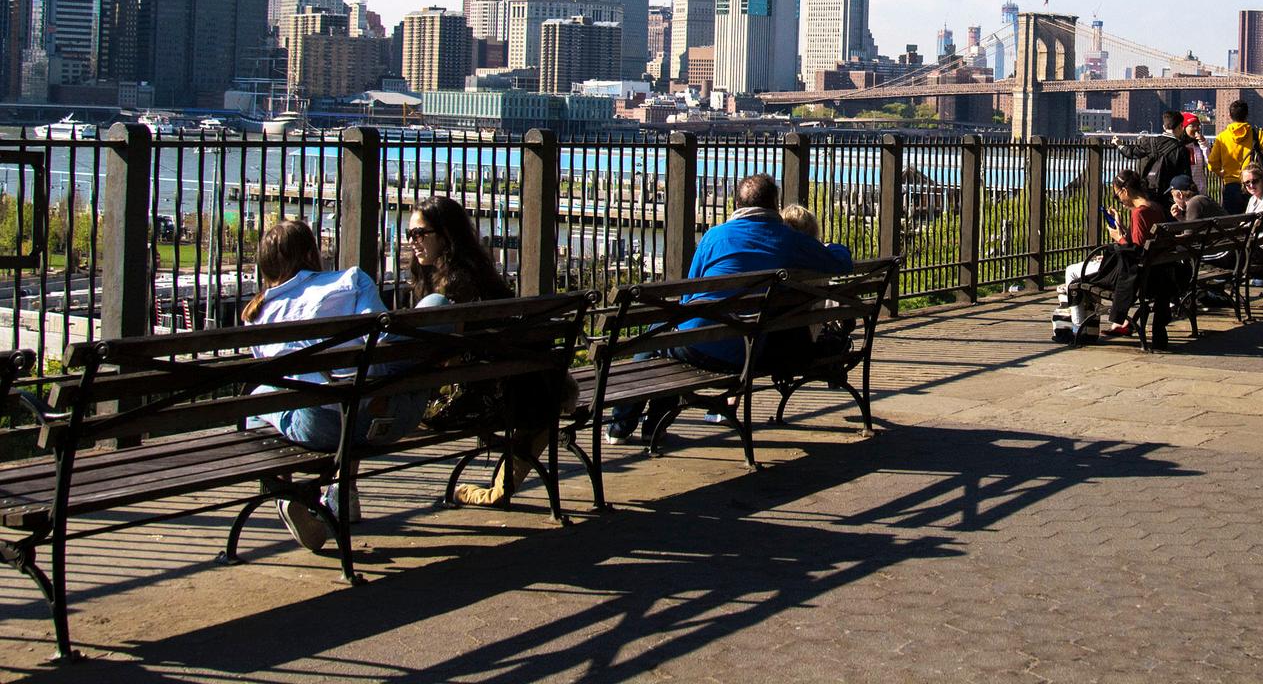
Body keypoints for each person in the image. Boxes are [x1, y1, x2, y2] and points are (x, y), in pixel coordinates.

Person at [606, 174, 852, 444]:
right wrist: (828, 247)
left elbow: (689, 296)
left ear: (737, 203)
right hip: (747, 352)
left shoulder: (714, 237)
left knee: (656, 336)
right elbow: (841, 261)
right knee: (665, 338)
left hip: (697, 347)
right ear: (774, 203)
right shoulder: (788, 240)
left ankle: (621, 425)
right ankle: (653, 427)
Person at [244, 217, 411, 551]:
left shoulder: (258, 313)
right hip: (367, 421)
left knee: (256, 403)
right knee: (349, 391)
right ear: (311, 252)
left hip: (315, 426)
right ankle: (341, 492)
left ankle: (285, 494)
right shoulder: (352, 280)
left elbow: (273, 376)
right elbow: (380, 338)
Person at [403, 195, 567, 509]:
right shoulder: (477, 274)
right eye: (410, 234)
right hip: (508, 392)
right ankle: (501, 485)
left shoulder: (452, 286)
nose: (413, 241)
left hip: (474, 402)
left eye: (420, 233)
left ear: (446, 235)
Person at [1064, 170, 1172, 344]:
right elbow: (1141, 244)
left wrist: (1118, 238)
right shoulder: (1156, 208)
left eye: (1117, 195)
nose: (1119, 200)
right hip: (1158, 272)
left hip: (1133, 275)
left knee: (1072, 272)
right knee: (1082, 270)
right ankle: (1087, 327)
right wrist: (1121, 228)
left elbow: (1135, 252)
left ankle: (1078, 328)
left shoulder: (1139, 213)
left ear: (1125, 191)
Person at [1207, 101, 1263, 213]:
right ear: (1247, 115)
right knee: (1254, 221)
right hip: (1254, 184)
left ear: (1229, 115)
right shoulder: (1258, 134)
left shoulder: (1222, 138)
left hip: (1231, 186)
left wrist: (1222, 174)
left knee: (1232, 224)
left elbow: (1212, 163)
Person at [1125, 110, 1200, 207]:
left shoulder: (1150, 142)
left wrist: (1119, 145)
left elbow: (1132, 153)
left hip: (1147, 192)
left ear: (1164, 127)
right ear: (1181, 127)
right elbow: (1185, 178)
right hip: (1169, 197)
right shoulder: (1181, 149)